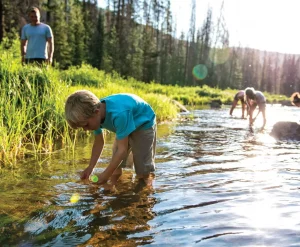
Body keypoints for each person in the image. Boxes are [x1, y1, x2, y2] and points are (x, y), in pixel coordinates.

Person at [65, 90, 157, 189]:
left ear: (96, 112)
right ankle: (114, 188)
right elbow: (99, 143)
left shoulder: (118, 114)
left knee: (142, 167)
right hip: (125, 121)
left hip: (143, 123)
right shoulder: (94, 115)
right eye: (82, 127)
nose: (85, 129)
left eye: (86, 125)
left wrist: (105, 174)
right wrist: (90, 168)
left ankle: (145, 192)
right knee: (116, 164)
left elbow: (122, 151)